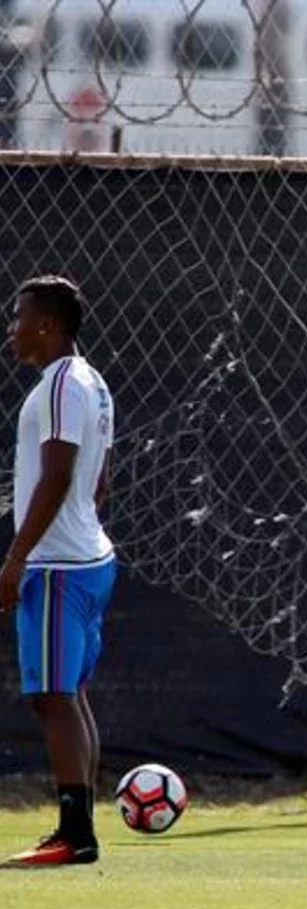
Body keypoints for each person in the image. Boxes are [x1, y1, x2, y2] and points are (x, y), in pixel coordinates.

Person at [3, 276, 117, 867]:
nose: (11, 329)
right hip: (87, 557)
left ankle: (75, 835)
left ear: (47, 325)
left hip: (57, 566)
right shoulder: (91, 381)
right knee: (67, 694)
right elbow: (101, 480)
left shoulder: (59, 386)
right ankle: (80, 829)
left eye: (18, 317)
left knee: (53, 696)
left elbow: (59, 475)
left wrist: (17, 557)